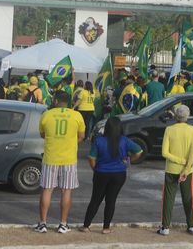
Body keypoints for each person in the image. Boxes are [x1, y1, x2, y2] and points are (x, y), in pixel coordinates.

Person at [80, 116, 143, 234]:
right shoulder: (124, 140)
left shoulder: (99, 140)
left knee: (95, 199)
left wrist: (96, 169)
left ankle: (86, 225)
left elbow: (91, 158)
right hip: (119, 174)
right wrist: (128, 161)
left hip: (101, 173)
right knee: (111, 200)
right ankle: (106, 228)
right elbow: (139, 151)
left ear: (107, 128)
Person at [35, 91, 85, 234]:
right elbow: (81, 136)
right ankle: (63, 224)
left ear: (56, 101)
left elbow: (43, 134)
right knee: (66, 191)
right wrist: (69, 142)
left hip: (50, 158)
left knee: (47, 189)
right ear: (69, 101)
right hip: (68, 159)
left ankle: (42, 223)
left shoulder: (46, 115)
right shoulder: (77, 116)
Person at [158, 105, 193, 236]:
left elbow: (164, 152)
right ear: (187, 116)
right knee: (188, 198)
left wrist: (179, 160)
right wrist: (186, 168)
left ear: (175, 116)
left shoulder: (169, 129)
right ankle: (191, 225)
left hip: (171, 169)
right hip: (187, 170)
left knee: (168, 198)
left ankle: (165, 227)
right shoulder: (192, 130)